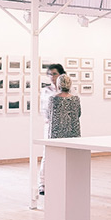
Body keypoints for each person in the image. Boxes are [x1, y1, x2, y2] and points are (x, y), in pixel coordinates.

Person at [38, 63, 65, 195]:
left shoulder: (69, 91)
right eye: (50, 74)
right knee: (47, 154)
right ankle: (42, 184)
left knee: (65, 154)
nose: (52, 77)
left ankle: (62, 181)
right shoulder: (46, 91)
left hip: (65, 126)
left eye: (54, 74)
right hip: (50, 125)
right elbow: (44, 109)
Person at [48, 74, 81, 141]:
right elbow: (79, 114)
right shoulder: (75, 99)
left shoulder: (53, 99)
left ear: (58, 85)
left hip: (56, 134)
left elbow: (49, 114)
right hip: (73, 133)